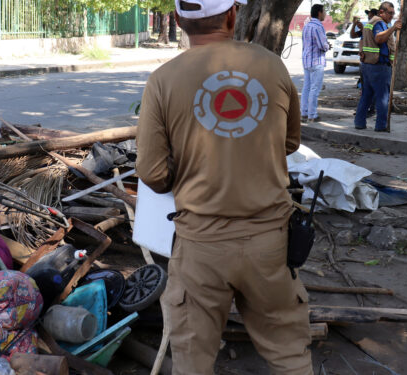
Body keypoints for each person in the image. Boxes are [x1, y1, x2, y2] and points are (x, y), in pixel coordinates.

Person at [136, 0, 312, 374]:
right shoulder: (271, 66)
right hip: (270, 243)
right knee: (290, 355)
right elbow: (291, 142)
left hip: (200, 247)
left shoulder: (163, 80)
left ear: (180, 20)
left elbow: (151, 173)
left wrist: (184, 171)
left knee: (193, 361)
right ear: (233, 15)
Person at [355, 1, 402, 131]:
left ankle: (359, 122)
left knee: (366, 95)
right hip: (379, 66)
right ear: (381, 12)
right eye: (390, 13)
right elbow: (379, 39)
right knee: (382, 97)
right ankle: (381, 126)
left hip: (367, 65)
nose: (392, 16)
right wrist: (393, 28)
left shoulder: (369, 23)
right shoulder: (379, 23)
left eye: (393, 13)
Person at [301, 4, 329, 123]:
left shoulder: (306, 26)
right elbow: (322, 45)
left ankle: (304, 113)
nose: (325, 14)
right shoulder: (318, 27)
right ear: (319, 13)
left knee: (306, 88)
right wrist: (328, 46)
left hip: (307, 60)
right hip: (316, 61)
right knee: (314, 89)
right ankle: (312, 115)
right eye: (324, 12)